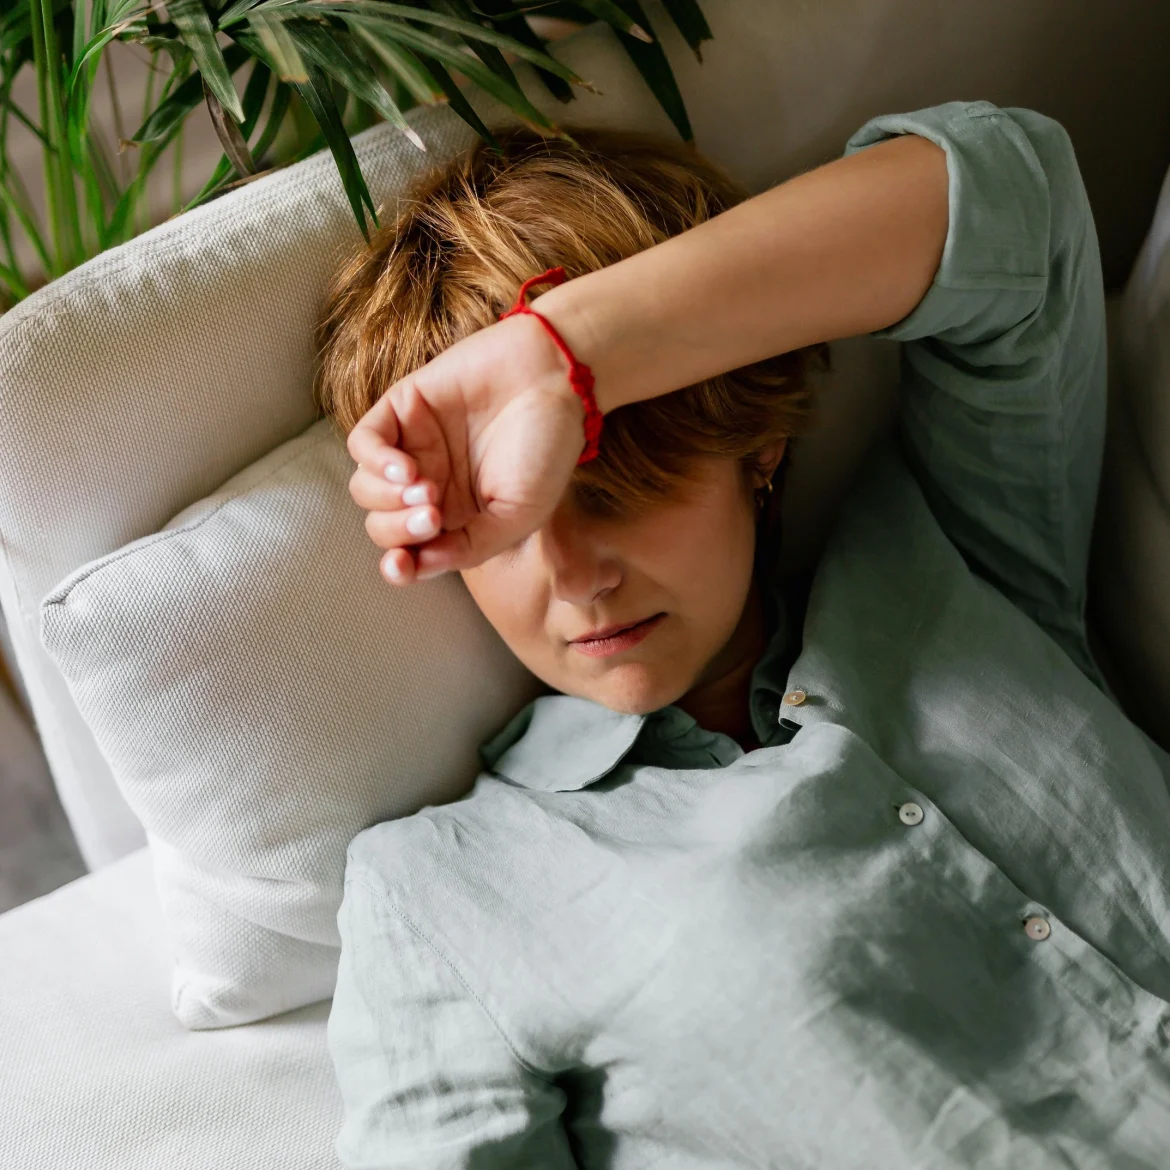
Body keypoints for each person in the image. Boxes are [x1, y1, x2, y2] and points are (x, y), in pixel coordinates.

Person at [314, 101, 1170, 1168]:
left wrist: (563, 366)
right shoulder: (446, 891)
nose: (575, 576)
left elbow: (1017, 198)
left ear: (755, 444)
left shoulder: (950, 553)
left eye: (618, 488)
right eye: (495, 528)